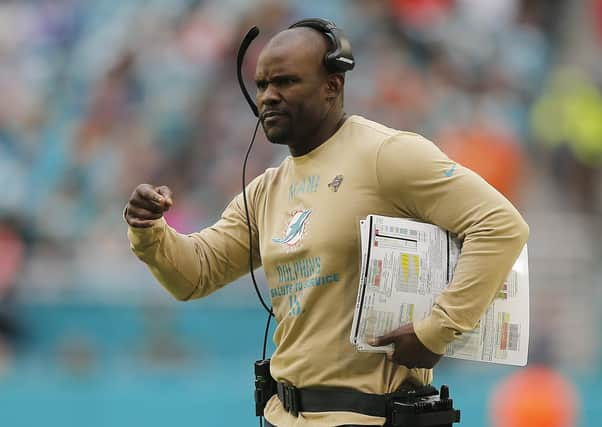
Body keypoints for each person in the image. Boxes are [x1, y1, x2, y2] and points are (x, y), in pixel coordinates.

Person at [124, 20, 529, 427]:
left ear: (333, 86)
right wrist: (150, 231)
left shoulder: (386, 155)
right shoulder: (268, 188)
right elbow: (194, 275)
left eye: (285, 82)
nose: (268, 97)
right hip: (282, 416)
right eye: (262, 85)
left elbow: (500, 225)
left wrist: (437, 330)